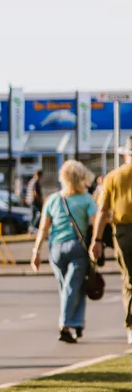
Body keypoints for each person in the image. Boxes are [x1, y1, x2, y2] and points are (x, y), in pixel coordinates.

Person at [31, 160, 96, 343]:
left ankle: (77, 322)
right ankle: (65, 325)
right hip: (77, 247)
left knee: (68, 287)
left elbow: (43, 228)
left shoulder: (53, 199)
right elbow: (94, 224)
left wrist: (36, 251)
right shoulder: (86, 199)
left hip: (56, 248)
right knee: (73, 286)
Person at [90, 139, 132, 345]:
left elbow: (102, 211)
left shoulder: (113, 177)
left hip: (123, 231)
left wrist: (97, 240)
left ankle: (131, 326)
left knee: (129, 280)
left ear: (125, 155)